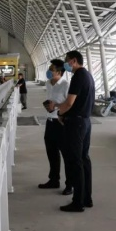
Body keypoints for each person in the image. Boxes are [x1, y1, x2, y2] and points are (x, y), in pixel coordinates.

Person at [52, 50, 95, 212]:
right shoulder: (88, 75)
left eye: (67, 60)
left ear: (74, 61)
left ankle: (78, 202)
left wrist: (60, 113)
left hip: (76, 123)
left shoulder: (78, 76)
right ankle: (86, 198)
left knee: (75, 162)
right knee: (84, 160)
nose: (65, 63)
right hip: (85, 122)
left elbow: (70, 102)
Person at [39, 59, 73, 195]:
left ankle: (70, 184)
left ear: (59, 72)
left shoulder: (66, 85)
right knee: (51, 153)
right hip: (50, 122)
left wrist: (57, 107)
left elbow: (70, 104)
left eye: (51, 69)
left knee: (66, 154)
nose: (48, 71)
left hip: (61, 122)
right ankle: (54, 180)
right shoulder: (48, 83)